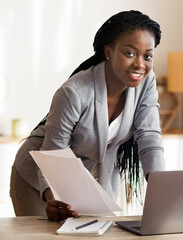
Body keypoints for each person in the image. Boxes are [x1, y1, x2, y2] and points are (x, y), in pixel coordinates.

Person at [9, 10, 166, 221]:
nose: (140, 64)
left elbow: (149, 138)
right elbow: (53, 153)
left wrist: (163, 189)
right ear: (108, 51)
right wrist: (52, 197)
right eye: (129, 53)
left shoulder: (146, 82)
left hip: (89, 184)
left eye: (147, 56)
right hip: (39, 180)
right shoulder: (74, 92)